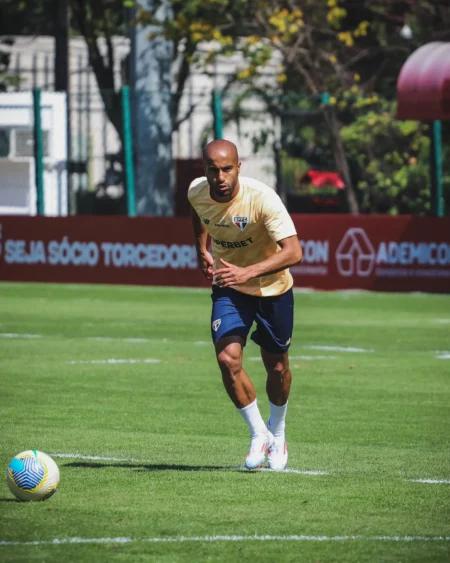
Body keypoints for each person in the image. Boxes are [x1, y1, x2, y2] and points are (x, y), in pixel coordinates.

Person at [188, 139, 302, 471]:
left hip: (272, 289)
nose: (220, 176)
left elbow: (294, 252)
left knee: (277, 368)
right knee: (227, 359)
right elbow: (198, 213)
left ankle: (277, 433)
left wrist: (247, 272)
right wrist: (201, 248)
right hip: (229, 287)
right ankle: (258, 434)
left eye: (227, 169)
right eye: (213, 170)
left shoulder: (263, 199)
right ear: (205, 170)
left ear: (239, 167)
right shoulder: (196, 191)